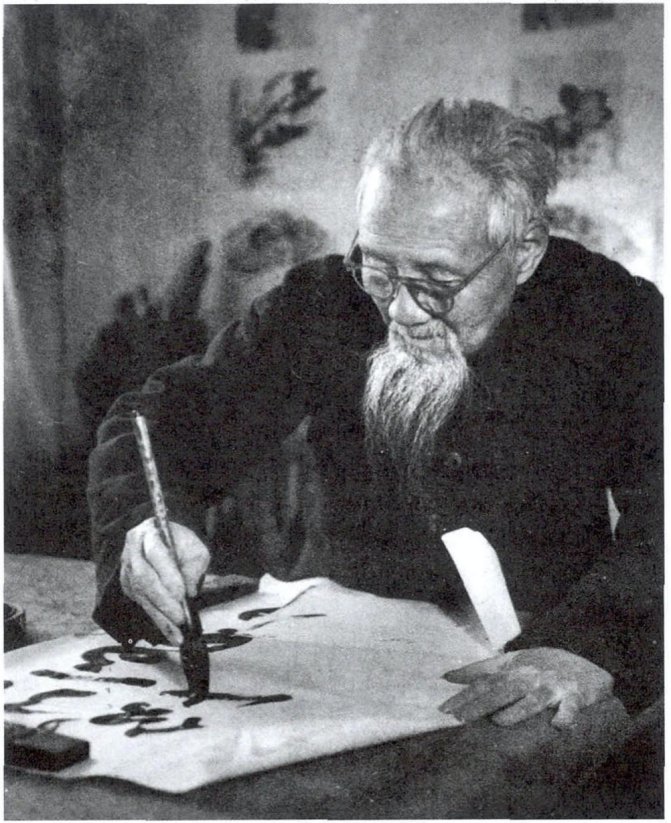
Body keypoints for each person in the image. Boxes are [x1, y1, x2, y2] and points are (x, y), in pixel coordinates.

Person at [88, 99, 662, 728]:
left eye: (437, 282)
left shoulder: (612, 316)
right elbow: (159, 421)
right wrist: (147, 525)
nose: (401, 312)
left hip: (544, 654)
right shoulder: (323, 302)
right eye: (380, 270)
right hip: (341, 655)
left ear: (523, 252)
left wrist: (591, 644)